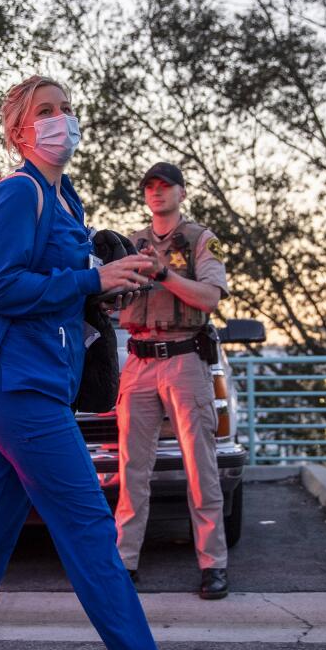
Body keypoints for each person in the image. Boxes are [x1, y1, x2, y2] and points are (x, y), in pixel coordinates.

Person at [0, 75, 232, 650]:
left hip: (33, 383)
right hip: (16, 385)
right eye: (45, 112)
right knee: (86, 526)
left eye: (67, 109)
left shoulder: (63, 199)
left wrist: (108, 278)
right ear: (19, 130)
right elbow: (6, 286)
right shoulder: (19, 192)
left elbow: (61, 289)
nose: (61, 121)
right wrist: (90, 276)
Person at [115, 162, 231, 598]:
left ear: (182, 193)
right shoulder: (130, 243)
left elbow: (209, 299)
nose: (157, 192)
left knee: (200, 465)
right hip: (139, 358)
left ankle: (212, 563)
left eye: (166, 186)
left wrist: (163, 274)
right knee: (132, 468)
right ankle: (124, 562)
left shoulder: (201, 240)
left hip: (185, 356)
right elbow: (109, 296)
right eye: (150, 186)